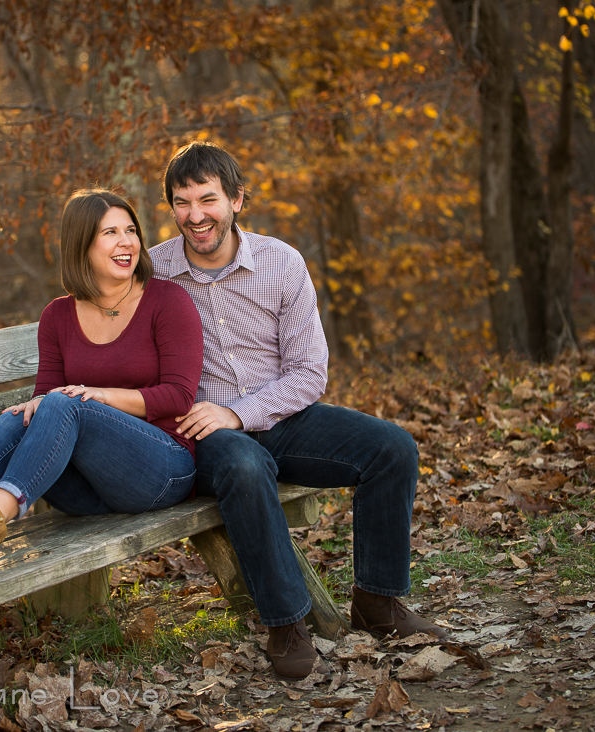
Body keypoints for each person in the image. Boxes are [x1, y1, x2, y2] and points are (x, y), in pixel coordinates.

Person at [149, 141, 447, 681]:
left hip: (281, 419)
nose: (195, 216)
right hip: (205, 434)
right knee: (244, 465)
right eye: (181, 201)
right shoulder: (155, 274)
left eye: (208, 199)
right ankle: (286, 623)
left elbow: (309, 373)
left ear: (238, 200)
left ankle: (378, 603)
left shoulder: (281, 262)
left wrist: (240, 412)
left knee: (393, 449)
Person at [0, 189, 204, 575]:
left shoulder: (167, 301)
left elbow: (179, 397)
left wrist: (99, 397)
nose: (127, 241)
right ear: (82, 244)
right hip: (85, 489)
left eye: (130, 230)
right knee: (21, 416)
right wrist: (39, 404)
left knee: (63, 404)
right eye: (110, 232)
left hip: (161, 469)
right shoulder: (58, 315)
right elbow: (46, 391)